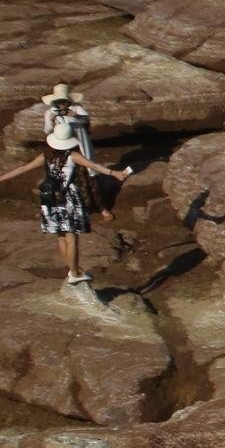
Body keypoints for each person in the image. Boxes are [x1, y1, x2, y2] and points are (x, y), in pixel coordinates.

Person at [0, 87, 131, 301]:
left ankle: (73, 270)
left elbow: (23, 169)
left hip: (49, 197)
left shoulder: (46, 155)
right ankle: (75, 274)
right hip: (68, 197)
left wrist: (2, 177)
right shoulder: (72, 156)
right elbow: (95, 166)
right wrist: (115, 173)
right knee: (72, 239)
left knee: (61, 237)